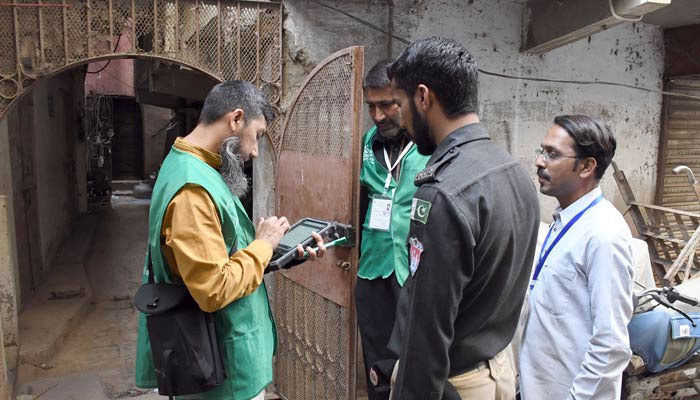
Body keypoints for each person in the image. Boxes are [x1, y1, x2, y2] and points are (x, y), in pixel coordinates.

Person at [134, 80, 325, 400]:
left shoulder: (196, 165)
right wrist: (262, 244)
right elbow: (213, 288)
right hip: (218, 372)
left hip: (219, 361)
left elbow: (222, 254)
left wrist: (280, 251)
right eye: (258, 136)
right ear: (235, 119)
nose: (254, 151)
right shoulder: (192, 189)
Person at [386, 37, 540, 400]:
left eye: (399, 102)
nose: (399, 117)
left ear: (424, 97)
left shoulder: (443, 191)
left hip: (454, 384)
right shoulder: (514, 172)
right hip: (500, 370)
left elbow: (427, 327)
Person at [519, 115, 634, 400]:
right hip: (537, 387)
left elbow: (611, 343)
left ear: (586, 166)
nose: (540, 162)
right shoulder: (563, 220)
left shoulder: (603, 234)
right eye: (542, 151)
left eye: (553, 154)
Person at [357, 59, 429, 400]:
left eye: (386, 105)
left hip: (412, 269)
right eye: (371, 107)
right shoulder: (369, 142)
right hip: (373, 268)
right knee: (375, 360)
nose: (378, 116)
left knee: (411, 358)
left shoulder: (429, 143)